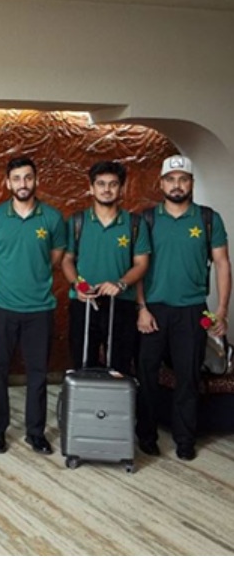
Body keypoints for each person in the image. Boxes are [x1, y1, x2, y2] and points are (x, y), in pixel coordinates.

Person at [137, 155, 231, 461]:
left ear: (191, 183)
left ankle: (185, 439)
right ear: (162, 183)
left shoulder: (208, 219)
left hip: (192, 310)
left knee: (189, 377)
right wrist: (141, 308)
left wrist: (222, 310)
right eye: (171, 179)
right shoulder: (147, 219)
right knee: (147, 374)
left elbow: (222, 263)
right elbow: (137, 267)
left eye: (183, 179)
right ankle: (146, 436)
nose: (177, 185)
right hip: (153, 310)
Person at [0, 156, 66, 455]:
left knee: (38, 373)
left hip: (39, 308)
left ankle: (36, 433)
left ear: (36, 180)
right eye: (17, 178)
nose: (23, 183)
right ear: (8, 183)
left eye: (28, 177)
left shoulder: (53, 218)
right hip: (1, 306)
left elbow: (55, 258)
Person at [61, 161, 150, 374]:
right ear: (91, 188)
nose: (107, 189)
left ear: (121, 189)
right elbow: (66, 260)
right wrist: (78, 284)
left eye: (113, 184)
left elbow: (142, 264)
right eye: (101, 184)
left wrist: (121, 284)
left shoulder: (134, 223)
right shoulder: (77, 221)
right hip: (84, 302)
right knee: (83, 366)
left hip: (122, 303)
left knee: (119, 368)